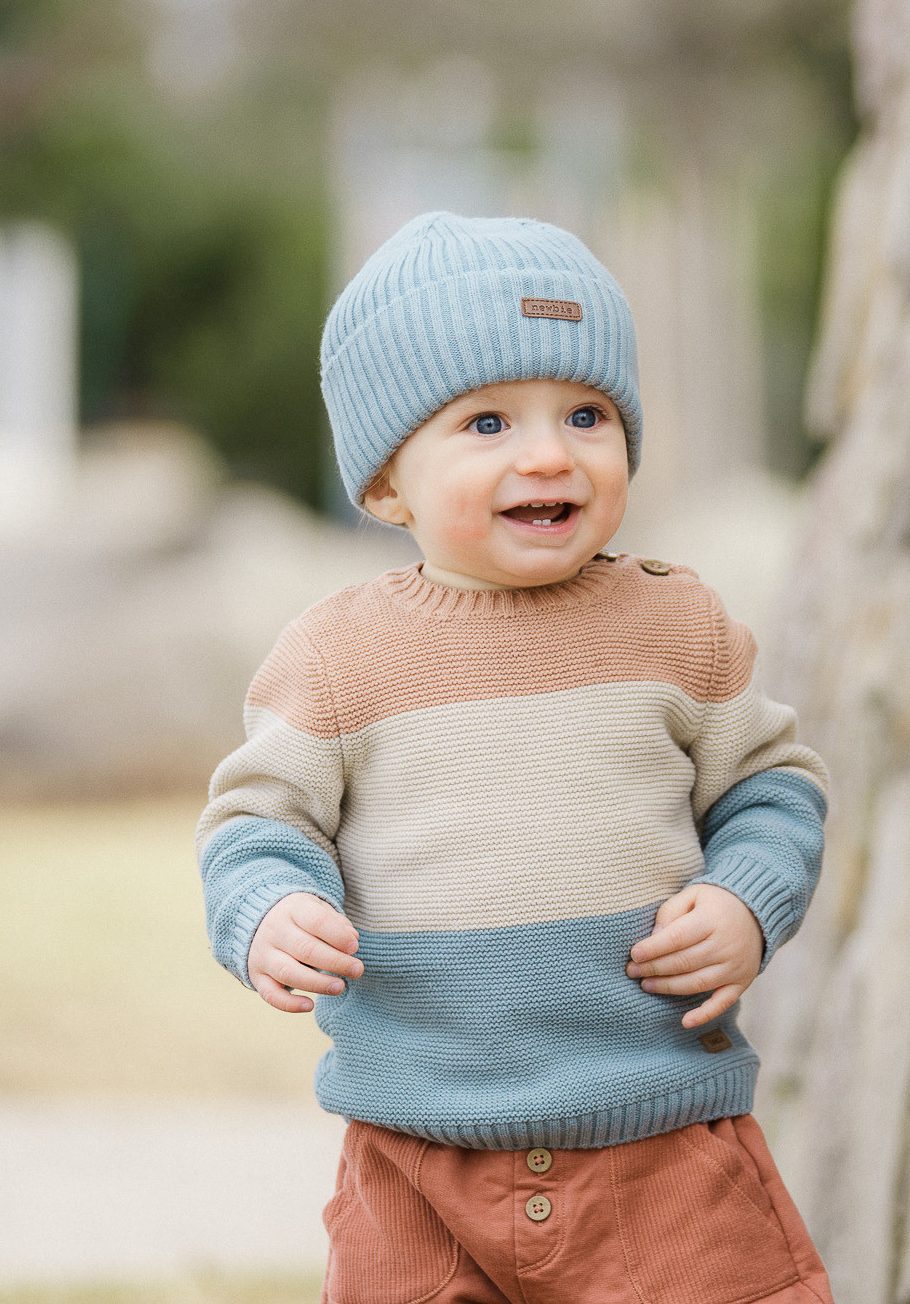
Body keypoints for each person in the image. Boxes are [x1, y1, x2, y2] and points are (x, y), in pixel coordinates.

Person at [195, 212, 833, 1304]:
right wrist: (266, 911)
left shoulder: (679, 629)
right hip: (419, 1162)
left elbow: (771, 787)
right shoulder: (340, 657)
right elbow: (260, 825)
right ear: (389, 485)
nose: (550, 453)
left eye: (586, 414)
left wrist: (746, 898)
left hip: (666, 1146)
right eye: (486, 423)